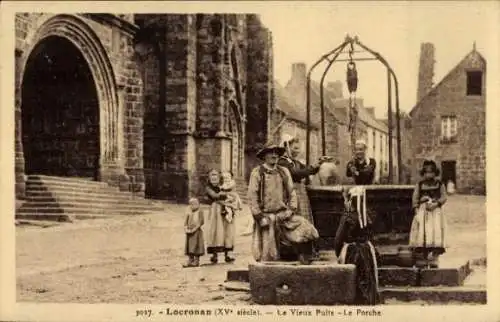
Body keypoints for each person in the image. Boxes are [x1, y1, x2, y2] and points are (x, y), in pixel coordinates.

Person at [247, 142, 319, 264]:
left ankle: (303, 260)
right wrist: (259, 217)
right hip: (266, 217)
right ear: (264, 156)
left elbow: (292, 193)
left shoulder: (283, 171)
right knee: (269, 255)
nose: (274, 155)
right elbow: (252, 197)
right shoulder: (257, 172)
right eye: (271, 152)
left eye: (276, 153)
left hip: (284, 215)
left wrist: (290, 210)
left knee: (306, 229)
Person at [278, 134, 324, 259]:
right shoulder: (282, 162)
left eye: (298, 149)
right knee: (294, 222)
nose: (297, 151)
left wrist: (318, 164)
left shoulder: (295, 162)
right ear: (286, 147)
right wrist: (312, 168)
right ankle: (294, 251)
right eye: (294, 148)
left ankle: (306, 250)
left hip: (300, 193)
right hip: (290, 194)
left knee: (304, 220)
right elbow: (296, 174)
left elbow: (308, 170)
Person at [334, 186, 380, 305]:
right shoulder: (369, 216)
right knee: (366, 277)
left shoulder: (347, 217)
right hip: (367, 250)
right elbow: (372, 236)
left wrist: (338, 253)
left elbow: (338, 239)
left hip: (351, 251)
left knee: (353, 279)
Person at [409, 160, 447, 268]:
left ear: (435, 173)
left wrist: (437, 203)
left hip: (435, 213)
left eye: (431, 172)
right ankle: (424, 258)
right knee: (423, 233)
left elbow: (444, 197)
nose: (429, 175)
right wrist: (417, 209)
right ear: (423, 173)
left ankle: (434, 258)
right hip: (423, 212)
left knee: (435, 232)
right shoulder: (420, 185)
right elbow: (415, 198)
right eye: (426, 172)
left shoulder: (439, 184)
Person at [205, 169, 235, 264]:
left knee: (227, 230)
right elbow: (215, 196)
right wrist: (226, 194)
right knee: (216, 231)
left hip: (225, 208)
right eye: (211, 175)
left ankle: (228, 254)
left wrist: (229, 195)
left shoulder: (224, 186)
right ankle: (215, 255)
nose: (214, 177)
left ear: (219, 177)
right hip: (215, 211)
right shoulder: (208, 188)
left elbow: (233, 195)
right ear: (209, 178)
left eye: (215, 175)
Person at [183, 198, 205, 267]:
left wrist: (195, 229)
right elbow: (185, 222)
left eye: (196, 204)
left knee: (197, 246)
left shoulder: (200, 211)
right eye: (192, 204)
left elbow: (201, 222)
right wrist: (186, 228)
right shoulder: (189, 212)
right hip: (190, 232)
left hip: (196, 232)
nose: (194, 206)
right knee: (190, 246)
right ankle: (190, 260)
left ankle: (196, 261)